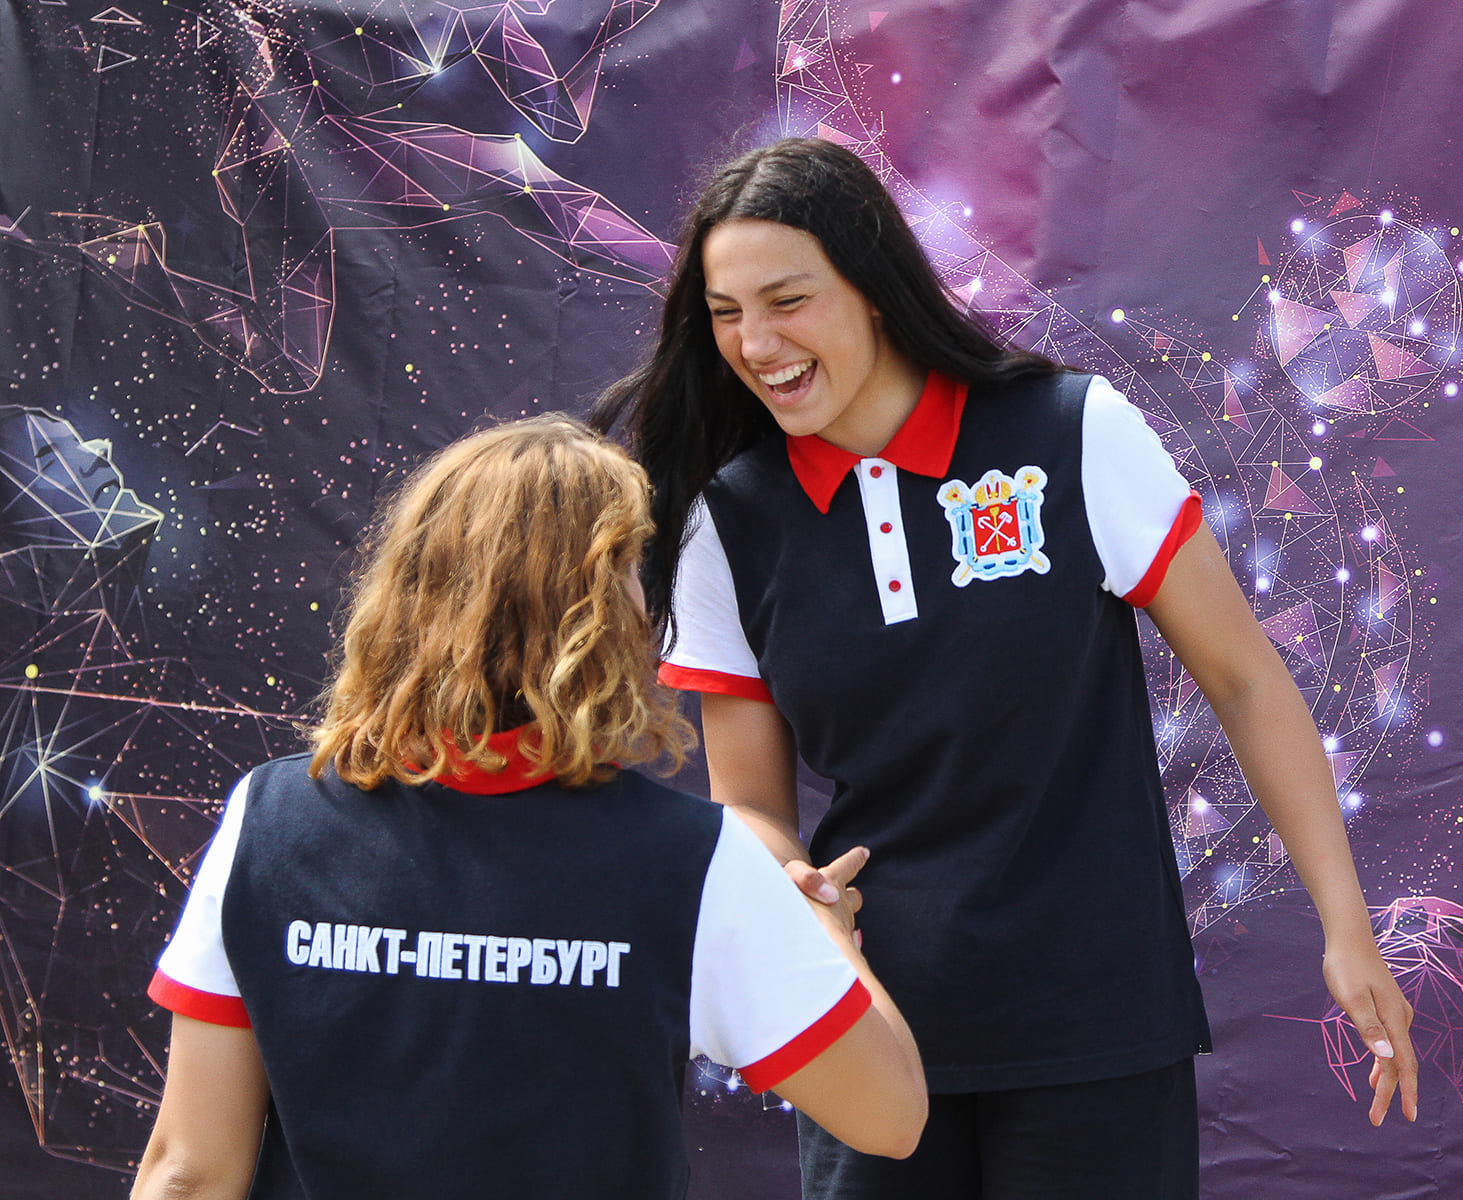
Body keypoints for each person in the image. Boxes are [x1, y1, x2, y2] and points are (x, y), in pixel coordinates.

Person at [594, 136, 1418, 1199]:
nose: (757, 343)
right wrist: (793, 889)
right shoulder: (729, 520)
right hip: (872, 1038)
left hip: (1098, 1025)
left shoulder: (1072, 433)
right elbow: (750, 804)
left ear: (874, 287)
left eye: (788, 301)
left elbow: (1245, 679)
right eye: (725, 313)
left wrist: (1346, 927)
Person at [130, 415, 926, 1200]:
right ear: (595, 617)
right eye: (632, 570)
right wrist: (827, 928)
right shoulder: (693, 860)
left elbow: (190, 1173)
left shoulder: (269, 820)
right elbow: (891, 1117)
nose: (648, 603)